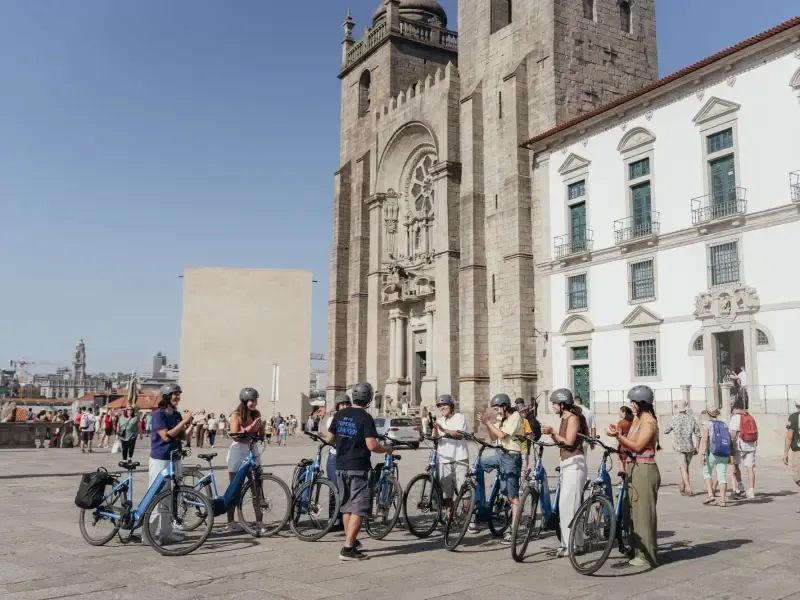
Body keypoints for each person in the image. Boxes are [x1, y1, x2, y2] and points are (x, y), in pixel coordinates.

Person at [325, 381, 394, 561]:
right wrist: (388, 449)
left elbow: (330, 438)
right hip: (358, 467)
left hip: (340, 465)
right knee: (359, 508)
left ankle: (352, 541)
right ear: (369, 398)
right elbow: (372, 445)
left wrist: (344, 444)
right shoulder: (365, 417)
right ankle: (348, 549)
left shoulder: (340, 414)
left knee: (347, 507)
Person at [609, 385, 660, 568]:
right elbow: (630, 442)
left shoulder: (648, 422)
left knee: (643, 513)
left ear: (641, 403)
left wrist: (619, 437)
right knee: (631, 512)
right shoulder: (638, 420)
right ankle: (636, 549)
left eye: (633, 402)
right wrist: (619, 433)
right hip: (634, 466)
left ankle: (647, 555)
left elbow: (638, 446)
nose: (631, 405)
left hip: (645, 469)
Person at [543, 388, 588, 558]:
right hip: (567, 464)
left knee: (570, 506)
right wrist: (552, 435)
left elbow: (569, 442)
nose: (552, 407)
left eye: (554, 403)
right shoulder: (565, 418)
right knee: (568, 506)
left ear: (562, 404)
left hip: (575, 464)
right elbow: (562, 444)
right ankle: (574, 544)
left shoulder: (573, 418)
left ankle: (572, 545)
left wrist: (553, 432)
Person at [150, 383, 193, 543]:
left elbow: (184, 437)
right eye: (175, 394)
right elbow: (166, 436)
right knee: (158, 495)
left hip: (175, 458)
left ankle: (166, 533)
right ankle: (150, 533)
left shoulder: (176, 414)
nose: (178, 397)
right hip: (161, 458)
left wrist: (191, 424)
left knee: (172, 495)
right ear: (167, 396)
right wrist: (184, 422)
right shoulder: (158, 415)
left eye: (179, 394)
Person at [479, 393, 524, 545]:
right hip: (500, 454)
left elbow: (502, 435)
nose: (496, 411)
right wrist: (487, 424)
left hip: (511, 457)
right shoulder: (503, 418)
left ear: (505, 406)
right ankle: (478, 501)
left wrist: (489, 423)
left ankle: (514, 529)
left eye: (497, 408)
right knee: (478, 465)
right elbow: (494, 438)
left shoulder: (515, 417)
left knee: (513, 496)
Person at [226, 387, 267, 534]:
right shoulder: (236, 414)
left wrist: (262, 430)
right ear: (244, 401)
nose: (254, 403)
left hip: (252, 448)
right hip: (238, 450)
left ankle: (259, 521)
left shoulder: (256, 413)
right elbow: (234, 434)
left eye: (255, 400)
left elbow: (260, 433)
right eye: (251, 400)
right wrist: (250, 427)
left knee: (257, 486)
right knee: (235, 488)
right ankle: (230, 522)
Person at [431, 395, 468, 520]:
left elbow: (459, 434)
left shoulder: (460, 417)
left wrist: (443, 429)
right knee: (447, 492)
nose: (442, 407)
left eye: (444, 405)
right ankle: (449, 516)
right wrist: (435, 429)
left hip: (460, 457)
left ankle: (468, 517)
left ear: (451, 406)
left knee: (463, 489)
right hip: (444, 459)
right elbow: (435, 439)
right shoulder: (439, 420)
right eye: (440, 406)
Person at [326, 395, 353, 530]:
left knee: (347, 489)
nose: (345, 406)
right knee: (335, 489)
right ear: (337, 406)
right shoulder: (333, 419)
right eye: (342, 404)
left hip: (348, 457)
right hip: (334, 457)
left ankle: (344, 520)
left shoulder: (353, 419)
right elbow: (330, 438)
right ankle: (332, 518)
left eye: (347, 404)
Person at [663, 400, 700, 496]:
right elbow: (698, 434)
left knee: (683, 468)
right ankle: (682, 485)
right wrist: (697, 446)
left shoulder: (674, 418)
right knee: (686, 467)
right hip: (689, 446)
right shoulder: (691, 418)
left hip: (678, 446)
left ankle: (688, 487)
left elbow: (666, 430)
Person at [699, 406, 730, 508]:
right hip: (724, 453)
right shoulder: (724, 424)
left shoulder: (707, 424)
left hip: (712, 452)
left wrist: (703, 454)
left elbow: (705, 440)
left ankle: (710, 495)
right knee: (722, 476)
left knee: (707, 472)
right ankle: (723, 500)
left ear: (708, 414)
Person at [729, 398, 757, 499]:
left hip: (739, 446)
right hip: (751, 444)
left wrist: (730, 445)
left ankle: (740, 486)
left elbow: (733, 434)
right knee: (750, 468)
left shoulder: (735, 417)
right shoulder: (749, 416)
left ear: (734, 408)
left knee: (735, 466)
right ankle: (751, 491)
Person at [784, 399, 800, 498]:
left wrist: (785, 453)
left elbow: (789, 436)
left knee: (797, 476)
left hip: (798, 451)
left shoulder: (794, 417)